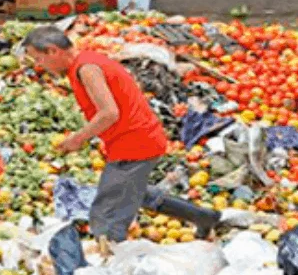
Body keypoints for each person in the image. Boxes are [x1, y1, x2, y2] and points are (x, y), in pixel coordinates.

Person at [22, 27, 221, 252]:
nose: (40, 65)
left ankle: (112, 265)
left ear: (52, 51)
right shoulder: (87, 62)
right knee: (133, 192)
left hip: (134, 143)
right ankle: (204, 217)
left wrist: (78, 138)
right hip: (136, 139)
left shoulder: (87, 69)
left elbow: (109, 113)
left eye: (39, 58)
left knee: (107, 212)